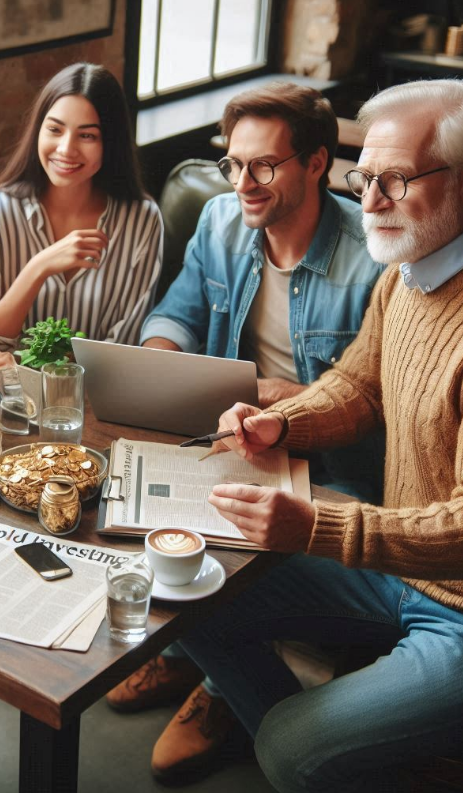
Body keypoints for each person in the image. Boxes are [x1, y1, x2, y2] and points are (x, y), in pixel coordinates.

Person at [178, 78, 463, 791]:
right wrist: (282, 420)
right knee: (183, 586)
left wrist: (315, 524)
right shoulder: (406, 275)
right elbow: (357, 385)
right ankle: (369, 748)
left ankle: (325, 747)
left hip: (455, 609)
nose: (368, 202)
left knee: (289, 748)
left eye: (394, 181)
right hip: (398, 576)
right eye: (364, 178)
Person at [110, 83, 387, 783]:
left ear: (316, 162)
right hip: (228, 438)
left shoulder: (372, 256)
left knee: (240, 550)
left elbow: (374, 400)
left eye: (262, 166)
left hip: (331, 462)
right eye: (232, 164)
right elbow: (174, 311)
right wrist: (161, 366)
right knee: (130, 510)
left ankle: (215, 685)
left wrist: (273, 399)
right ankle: (188, 655)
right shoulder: (218, 221)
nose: (242, 183)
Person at [0, 62, 163, 385]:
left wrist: (18, 364)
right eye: (54, 129)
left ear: (110, 142)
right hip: (6, 403)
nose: (66, 149)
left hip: (93, 405)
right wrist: (40, 266)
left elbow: (121, 349)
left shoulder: (141, 220)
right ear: (38, 130)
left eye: (87, 135)